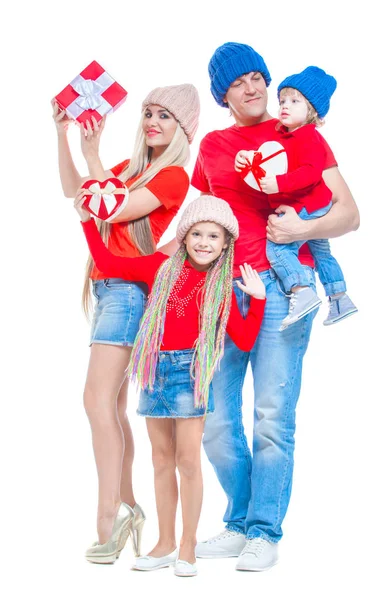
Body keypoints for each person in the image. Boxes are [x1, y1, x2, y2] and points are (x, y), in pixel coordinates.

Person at [191, 42, 360, 571]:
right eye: (239, 82)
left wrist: (304, 228)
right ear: (224, 94)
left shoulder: (301, 134)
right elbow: (201, 215)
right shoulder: (214, 146)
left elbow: (350, 213)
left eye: (259, 76)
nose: (254, 87)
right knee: (215, 419)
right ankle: (240, 521)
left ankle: (263, 530)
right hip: (224, 291)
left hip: (283, 290)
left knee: (270, 417)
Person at [74, 193, 266, 576]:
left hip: (191, 374)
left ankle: (188, 546)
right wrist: (85, 222)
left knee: (187, 460)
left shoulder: (221, 286)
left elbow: (243, 340)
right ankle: (164, 542)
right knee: (161, 458)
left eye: (213, 236)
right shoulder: (159, 267)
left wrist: (257, 301)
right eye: (197, 233)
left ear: (226, 243)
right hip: (153, 369)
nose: (204, 243)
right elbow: (110, 262)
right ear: (184, 236)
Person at [52, 83, 200, 562]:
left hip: (129, 293)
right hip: (107, 290)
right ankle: (128, 506)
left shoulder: (174, 176)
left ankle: (108, 515)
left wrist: (94, 155)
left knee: (96, 400)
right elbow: (78, 193)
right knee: (110, 407)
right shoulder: (133, 171)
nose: (152, 122)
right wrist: (65, 137)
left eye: (165, 116)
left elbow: (114, 210)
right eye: (148, 113)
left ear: (183, 128)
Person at [234, 66, 358, 330]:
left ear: (311, 110)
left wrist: (277, 184)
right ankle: (339, 298)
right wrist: (248, 158)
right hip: (317, 205)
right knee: (321, 253)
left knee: (278, 250)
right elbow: (273, 158)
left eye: (294, 101)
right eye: (282, 101)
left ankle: (301, 291)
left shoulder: (307, 136)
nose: (284, 106)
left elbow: (311, 174)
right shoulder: (291, 135)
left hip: (310, 205)